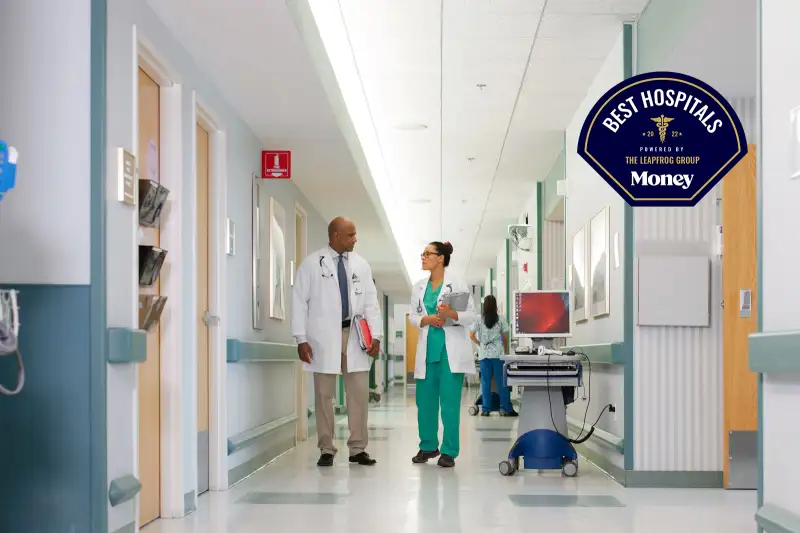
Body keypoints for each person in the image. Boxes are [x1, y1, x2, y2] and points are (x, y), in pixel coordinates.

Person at [291, 217, 382, 467]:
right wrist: (301, 338)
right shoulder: (311, 264)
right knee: (324, 394)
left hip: (355, 336)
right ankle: (326, 448)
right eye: (351, 235)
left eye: (355, 234)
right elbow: (299, 302)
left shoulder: (361, 265)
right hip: (322, 338)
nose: (355, 239)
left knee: (359, 394)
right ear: (335, 235)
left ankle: (357, 448)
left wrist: (376, 336)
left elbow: (371, 303)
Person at [409, 241, 477, 468]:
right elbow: (412, 316)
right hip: (428, 349)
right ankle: (428, 445)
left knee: (449, 404)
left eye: (428, 253)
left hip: (450, 350)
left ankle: (449, 450)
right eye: (423, 253)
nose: (423, 257)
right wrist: (425, 320)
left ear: (440, 258)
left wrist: (452, 313)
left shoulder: (456, 283)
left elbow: (472, 316)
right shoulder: (419, 286)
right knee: (425, 401)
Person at [469, 295, 518, 417]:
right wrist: (505, 351)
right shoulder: (501, 319)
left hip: (484, 355)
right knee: (502, 382)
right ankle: (506, 408)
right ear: (495, 306)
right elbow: (506, 337)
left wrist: (479, 344)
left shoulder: (479, 319)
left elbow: (471, 335)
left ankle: (486, 409)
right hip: (498, 355)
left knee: (485, 382)